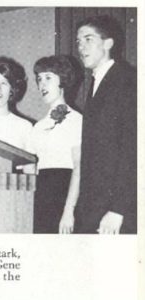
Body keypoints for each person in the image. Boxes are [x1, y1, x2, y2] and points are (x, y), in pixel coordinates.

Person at [74, 15, 137, 234]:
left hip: (115, 212)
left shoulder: (128, 80)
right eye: (78, 41)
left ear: (108, 43)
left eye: (88, 39)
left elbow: (133, 149)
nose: (81, 46)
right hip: (94, 207)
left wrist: (119, 209)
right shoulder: (96, 82)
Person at [26, 55, 83, 234]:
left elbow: (79, 168)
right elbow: (30, 170)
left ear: (63, 81)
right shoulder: (38, 126)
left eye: (48, 78)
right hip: (40, 196)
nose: (42, 84)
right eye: (39, 79)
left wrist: (68, 211)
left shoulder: (77, 120)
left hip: (65, 195)